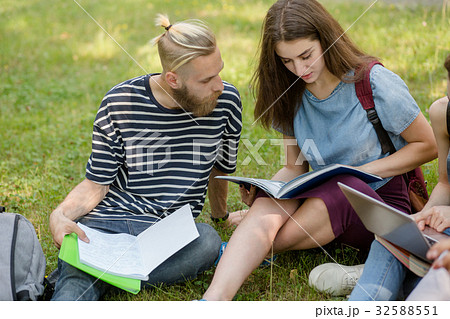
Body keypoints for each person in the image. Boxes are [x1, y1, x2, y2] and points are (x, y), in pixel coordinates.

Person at [201, 0, 437, 301]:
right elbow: (294, 167)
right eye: (287, 61)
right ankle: (212, 300)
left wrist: (360, 172)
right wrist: (266, 189)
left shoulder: (374, 82)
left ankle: (252, 248)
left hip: (382, 204)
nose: (299, 69)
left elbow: (427, 145)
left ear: (327, 39)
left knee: (345, 186)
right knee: (276, 196)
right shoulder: (290, 91)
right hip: (328, 198)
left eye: (306, 55)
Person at [49, 14, 242, 301]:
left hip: (167, 234)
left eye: (219, 72)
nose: (220, 86)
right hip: (107, 226)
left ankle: (95, 274)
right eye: (207, 79)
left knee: (208, 241)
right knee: (71, 294)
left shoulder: (226, 103)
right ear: (173, 79)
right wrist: (60, 215)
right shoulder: (119, 102)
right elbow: (96, 184)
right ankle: (96, 273)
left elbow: (219, 168)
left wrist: (221, 216)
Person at [343, 53, 450, 301]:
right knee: (391, 236)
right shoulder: (443, 112)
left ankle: (394, 279)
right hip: (444, 229)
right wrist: (422, 217)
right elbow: (445, 183)